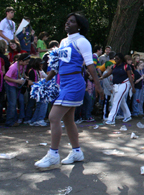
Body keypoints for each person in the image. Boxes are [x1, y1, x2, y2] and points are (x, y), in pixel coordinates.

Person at [34, 12, 103, 170]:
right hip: (63, 83)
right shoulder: (63, 41)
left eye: (71, 21)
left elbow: (90, 65)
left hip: (74, 83)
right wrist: (44, 81)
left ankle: (53, 154)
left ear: (78, 25)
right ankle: (77, 152)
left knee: (53, 116)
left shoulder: (82, 42)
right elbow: (56, 65)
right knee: (68, 120)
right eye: (67, 21)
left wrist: (98, 85)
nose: (67, 23)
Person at [100, 53, 135, 125]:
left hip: (124, 84)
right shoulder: (114, 66)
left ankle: (111, 119)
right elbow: (108, 73)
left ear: (121, 59)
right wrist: (102, 77)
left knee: (115, 101)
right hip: (116, 85)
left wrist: (132, 87)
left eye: (117, 58)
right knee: (121, 101)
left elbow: (130, 77)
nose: (115, 60)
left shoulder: (126, 66)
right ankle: (128, 115)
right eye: (115, 58)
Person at [4, 53, 32, 127]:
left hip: (16, 85)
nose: (27, 63)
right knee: (12, 103)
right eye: (26, 62)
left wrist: (26, 77)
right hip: (10, 85)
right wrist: (17, 81)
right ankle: (9, 122)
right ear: (21, 61)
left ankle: (14, 120)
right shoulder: (13, 67)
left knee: (15, 103)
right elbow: (6, 77)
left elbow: (22, 73)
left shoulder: (23, 66)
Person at [25, 58, 48, 126]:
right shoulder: (32, 71)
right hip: (34, 91)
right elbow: (30, 82)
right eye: (41, 64)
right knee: (42, 104)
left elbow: (46, 77)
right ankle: (39, 119)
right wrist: (40, 82)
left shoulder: (39, 71)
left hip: (38, 90)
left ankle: (34, 120)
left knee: (39, 105)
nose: (42, 65)